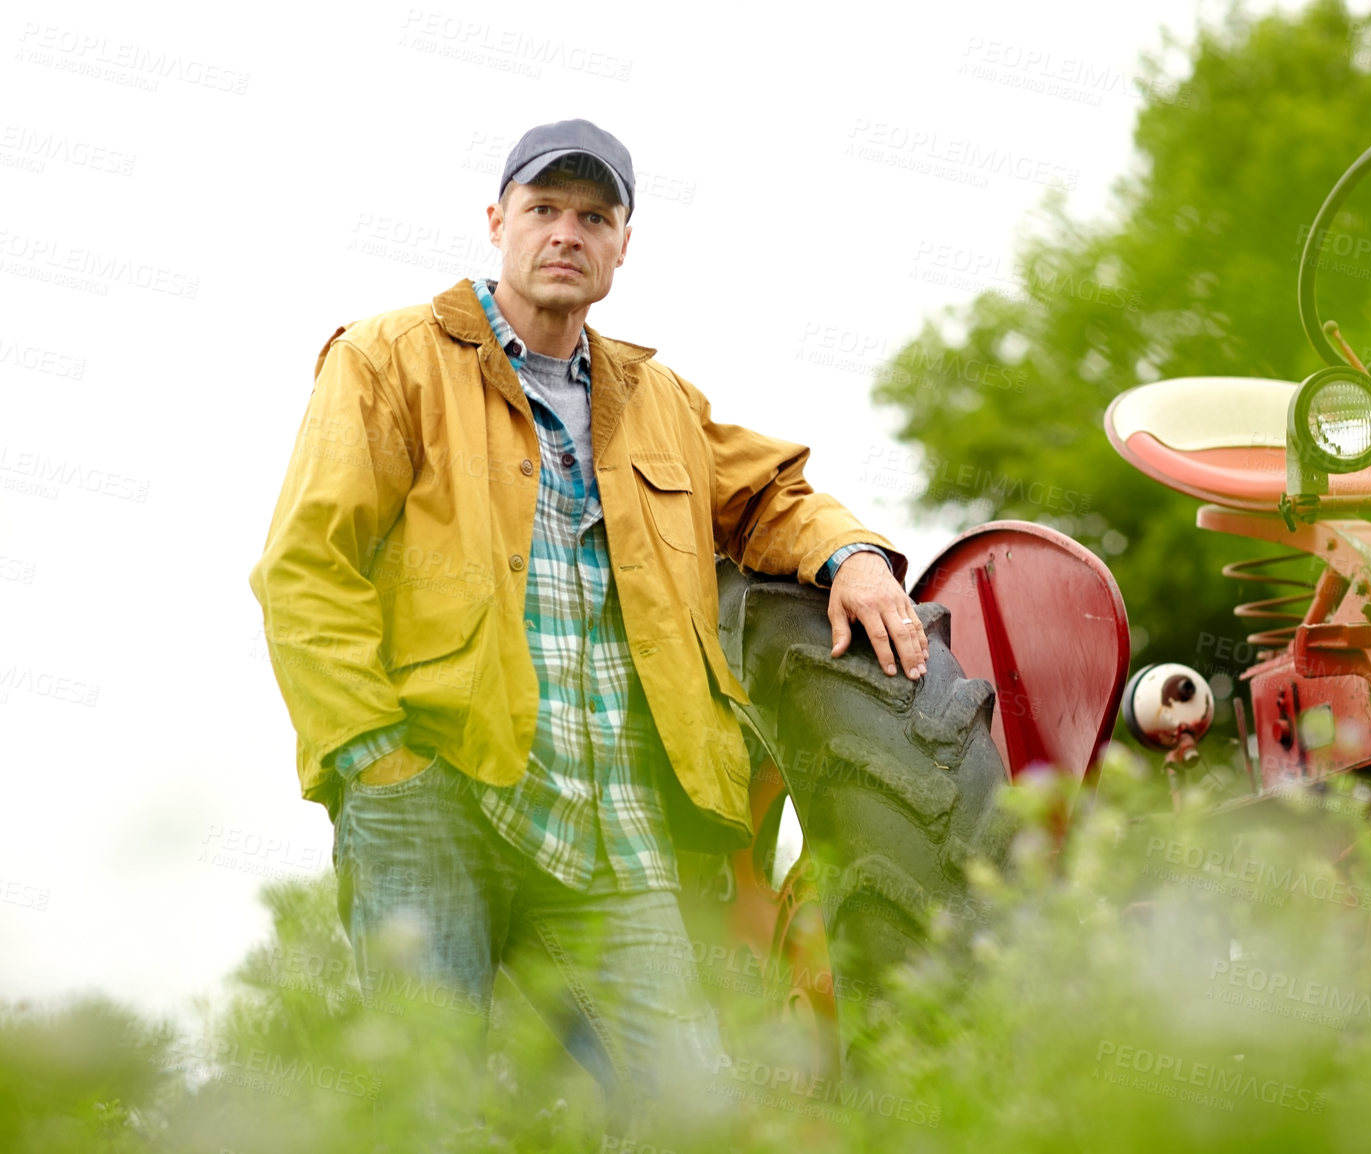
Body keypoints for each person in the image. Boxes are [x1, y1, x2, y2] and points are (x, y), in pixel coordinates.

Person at [248, 117, 928, 1132]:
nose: (567, 231)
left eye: (594, 215)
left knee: (691, 1117)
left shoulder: (658, 401)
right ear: (497, 221)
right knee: (430, 1115)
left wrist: (854, 555)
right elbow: (306, 566)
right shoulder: (387, 358)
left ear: (622, 243)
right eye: (544, 209)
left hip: (614, 830)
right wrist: (374, 756)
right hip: (438, 797)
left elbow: (775, 493)